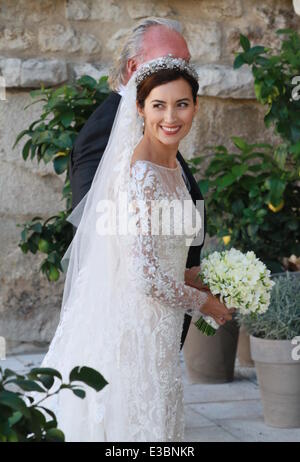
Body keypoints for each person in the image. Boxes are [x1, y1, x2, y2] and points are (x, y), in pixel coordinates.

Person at [31, 55, 234, 442]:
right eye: (158, 105)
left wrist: (216, 281)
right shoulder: (140, 174)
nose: (171, 117)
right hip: (135, 330)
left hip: (161, 328)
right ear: (139, 108)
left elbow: (164, 258)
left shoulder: (171, 167)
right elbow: (144, 276)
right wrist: (204, 303)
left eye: (182, 104)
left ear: (195, 107)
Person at [69, 17, 213, 350]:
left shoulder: (155, 121)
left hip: (164, 309)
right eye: (168, 61)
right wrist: (185, 285)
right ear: (134, 67)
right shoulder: (104, 130)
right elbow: (98, 226)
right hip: (132, 320)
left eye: (185, 63)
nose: (180, 71)